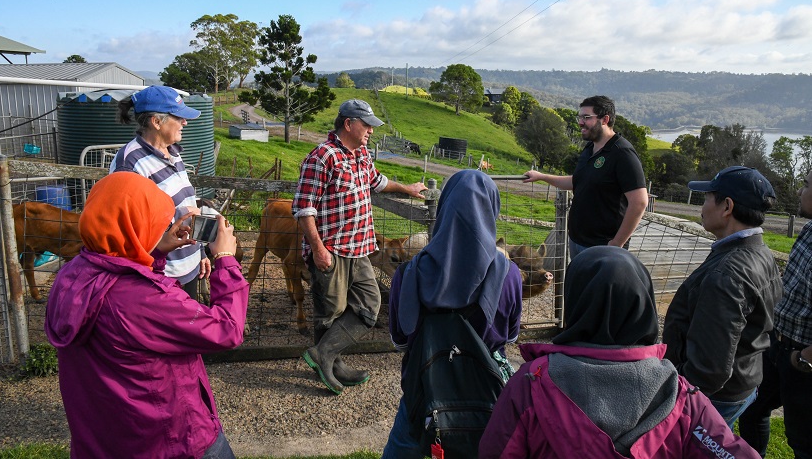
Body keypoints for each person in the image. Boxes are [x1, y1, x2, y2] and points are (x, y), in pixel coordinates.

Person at [479, 246, 759, 459]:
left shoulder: (530, 382)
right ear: (644, 305)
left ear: (575, 304)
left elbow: (495, 452)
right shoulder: (681, 396)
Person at [44, 171, 249, 458]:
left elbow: (123, 279)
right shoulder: (142, 299)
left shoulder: (73, 275)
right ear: (133, 226)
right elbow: (227, 330)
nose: (163, 226)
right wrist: (225, 260)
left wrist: (153, 249)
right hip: (172, 442)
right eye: (155, 222)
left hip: (107, 439)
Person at [382, 169, 522, 459]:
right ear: (492, 209)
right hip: (487, 394)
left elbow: (400, 340)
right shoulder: (510, 275)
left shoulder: (408, 274)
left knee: (404, 445)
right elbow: (509, 336)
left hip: (424, 390)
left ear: (444, 207)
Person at [293, 98, 427, 394]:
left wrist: (408, 188)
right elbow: (304, 209)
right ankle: (330, 366)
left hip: (360, 248)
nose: (371, 130)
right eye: (366, 125)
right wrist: (317, 249)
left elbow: (377, 182)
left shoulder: (362, 155)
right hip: (331, 249)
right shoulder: (321, 157)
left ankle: (324, 355)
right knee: (331, 311)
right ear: (348, 124)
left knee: (369, 305)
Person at [662, 166, 783, 428]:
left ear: (727, 206)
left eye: (707, 198)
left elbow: (709, 369)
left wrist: (679, 394)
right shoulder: (759, 252)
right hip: (744, 378)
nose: (701, 207)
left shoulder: (727, 274)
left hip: (714, 397)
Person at [110, 85, 210, 299]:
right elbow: (127, 231)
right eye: (179, 117)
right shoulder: (130, 164)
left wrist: (200, 252)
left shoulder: (172, 152)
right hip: (161, 276)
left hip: (188, 265)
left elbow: (186, 206)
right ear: (156, 122)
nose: (185, 122)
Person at [739, 167, 812, 458]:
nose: (799, 191)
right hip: (777, 345)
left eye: (806, 185)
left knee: (804, 442)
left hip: (801, 361)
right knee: (753, 409)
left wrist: (803, 361)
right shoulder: (809, 229)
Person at [523, 95, 647, 259]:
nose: (580, 122)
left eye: (586, 117)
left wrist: (617, 243)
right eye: (580, 117)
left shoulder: (622, 153)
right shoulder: (590, 148)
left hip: (603, 247)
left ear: (605, 119)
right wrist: (542, 176)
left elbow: (639, 202)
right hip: (578, 241)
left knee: (599, 285)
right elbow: (578, 181)